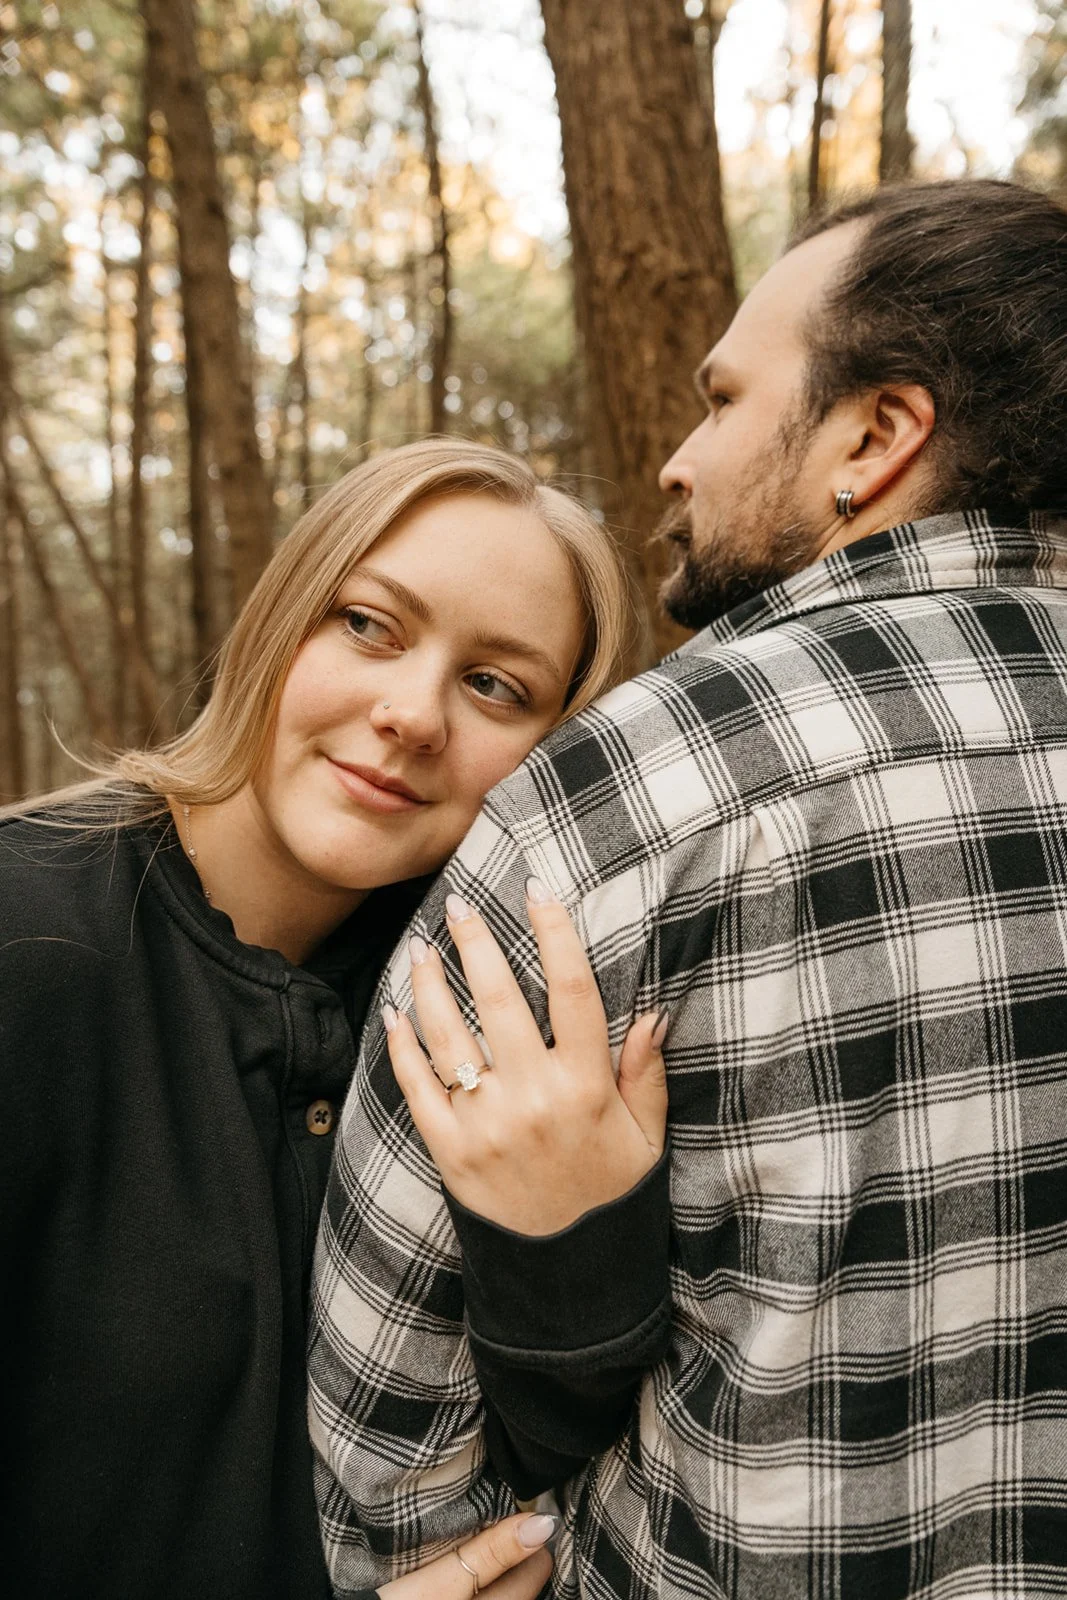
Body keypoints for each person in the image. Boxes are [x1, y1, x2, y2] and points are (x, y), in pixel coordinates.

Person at [310, 178, 1067, 1600]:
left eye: (722, 402)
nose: (674, 457)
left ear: (873, 436)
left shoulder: (651, 778)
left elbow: (387, 1386)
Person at [0, 437, 666, 1600]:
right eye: (368, 624)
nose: (411, 715)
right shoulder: (28, 939)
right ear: (278, 624)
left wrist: (576, 1237)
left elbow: (553, 1468)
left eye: (494, 685)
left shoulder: (491, 1015)